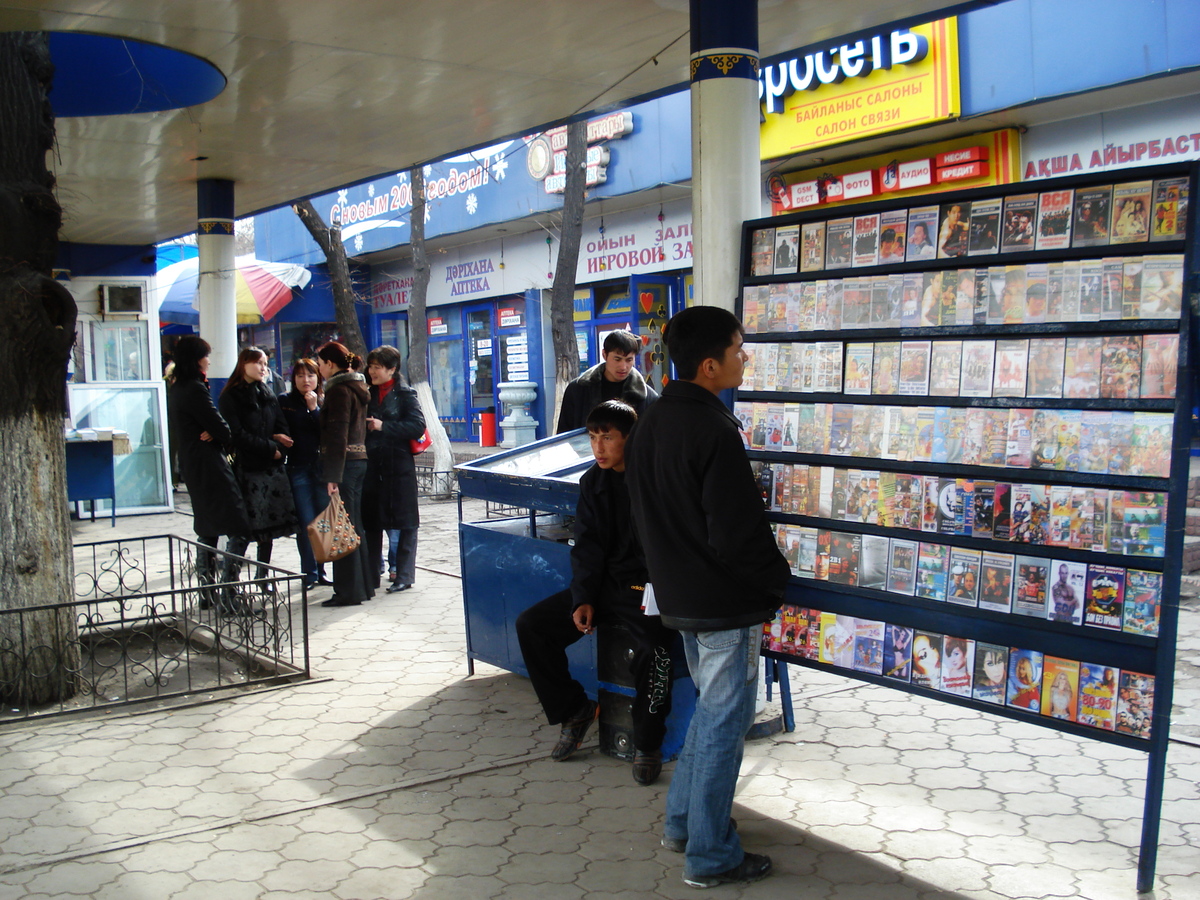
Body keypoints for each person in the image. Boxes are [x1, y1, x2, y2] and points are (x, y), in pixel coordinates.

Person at [626, 305, 789, 889]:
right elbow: (736, 533)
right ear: (711, 364)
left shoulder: (651, 419)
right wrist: (777, 582)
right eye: (739, 350)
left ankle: (681, 825)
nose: (745, 358)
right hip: (724, 604)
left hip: (680, 597)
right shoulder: (713, 428)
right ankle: (711, 854)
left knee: (710, 715)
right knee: (725, 723)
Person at [516, 400, 674, 786]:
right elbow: (586, 546)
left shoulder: (653, 479)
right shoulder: (592, 483)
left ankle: (648, 743)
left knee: (657, 652)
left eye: (608, 438)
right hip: (604, 588)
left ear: (629, 439)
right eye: (593, 437)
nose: (599, 447)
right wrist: (583, 597)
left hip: (648, 589)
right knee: (533, 626)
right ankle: (575, 710)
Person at [166, 335, 251, 613]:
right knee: (238, 526)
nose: (209, 360)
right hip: (209, 465)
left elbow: (214, 428)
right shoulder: (194, 388)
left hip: (193, 465)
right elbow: (224, 430)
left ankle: (207, 591)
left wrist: (212, 431)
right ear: (196, 358)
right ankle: (229, 592)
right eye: (206, 355)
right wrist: (216, 433)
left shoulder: (178, 387)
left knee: (207, 526)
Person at [219, 347, 297, 594]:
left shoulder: (268, 393)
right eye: (259, 363)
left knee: (269, 529)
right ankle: (229, 584)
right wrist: (269, 447)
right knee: (244, 528)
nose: (264, 368)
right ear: (244, 364)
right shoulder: (231, 396)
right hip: (247, 469)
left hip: (272, 470)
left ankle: (262, 575)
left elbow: (282, 429)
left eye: (266, 363)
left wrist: (278, 449)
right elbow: (237, 434)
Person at [363, 345, 426, 594]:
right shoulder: (367, 393)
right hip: (372, 466)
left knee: (405, 521)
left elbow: (417, 426)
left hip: (398, 466)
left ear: (392, 369)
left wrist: (383, 426)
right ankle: (371, 575)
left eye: (377, 367)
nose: (372, 371)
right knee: (372, 520)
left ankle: (404, 574)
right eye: (370, 366)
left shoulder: (406, 394)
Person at [316, 341, 372, 607]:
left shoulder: (339, 390)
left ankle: (348, 591)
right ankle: (363, 587)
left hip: (345, 465)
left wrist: (332, 476)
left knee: (342, 528)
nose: (318, 369)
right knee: (354, 525)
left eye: (319, 363)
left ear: (329, 364)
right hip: (358, 461)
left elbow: (338, 434)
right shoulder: (357, 387)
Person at [278, 358, 329, 589]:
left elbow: (327, 433)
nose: (305, 380)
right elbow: (278, 428)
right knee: (306, 522)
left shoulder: (323, 401)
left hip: (321, 470)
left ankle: (321, 570)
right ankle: (308, 573)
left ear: (318, 377)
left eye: (310, 375)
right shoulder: (284, 401)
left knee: (322, 523)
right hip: (297, 468)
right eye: (300, 376)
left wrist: (314, 409)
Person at [556, 330, 659, 433]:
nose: (623, 367)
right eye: (617, 359)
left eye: (629, 360)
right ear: (604, 355)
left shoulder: (648, 397)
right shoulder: (577, 389)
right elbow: (563, 436)